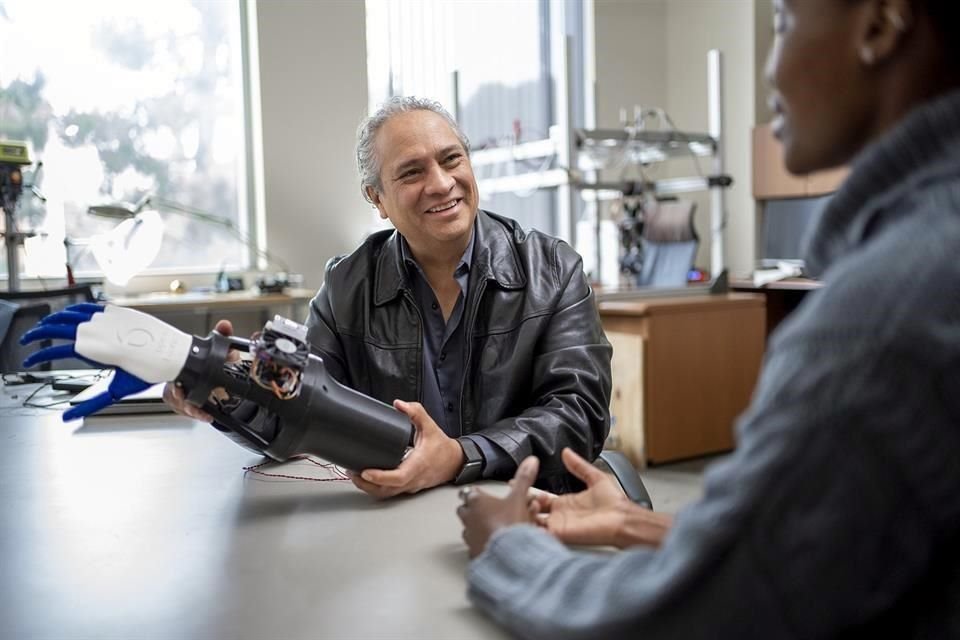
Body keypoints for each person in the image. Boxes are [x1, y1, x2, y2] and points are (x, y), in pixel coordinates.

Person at [457, 0, 960, 636]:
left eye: (781, 23)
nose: (770, 71)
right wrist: (638, 524)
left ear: (880, 25)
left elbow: (705, 613)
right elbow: (836, 541)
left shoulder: (882, 317)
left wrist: (509, 550)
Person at [166, 96, 612, 497]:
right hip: (398, 514)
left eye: (451, 159)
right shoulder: (346, 286)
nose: (440, 183)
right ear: (376, 198)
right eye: (412, 172)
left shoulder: (553, 270)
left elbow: (579, 414)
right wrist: (225, 394)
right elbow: (298, 412)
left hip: (526, 507)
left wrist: (460, 455)